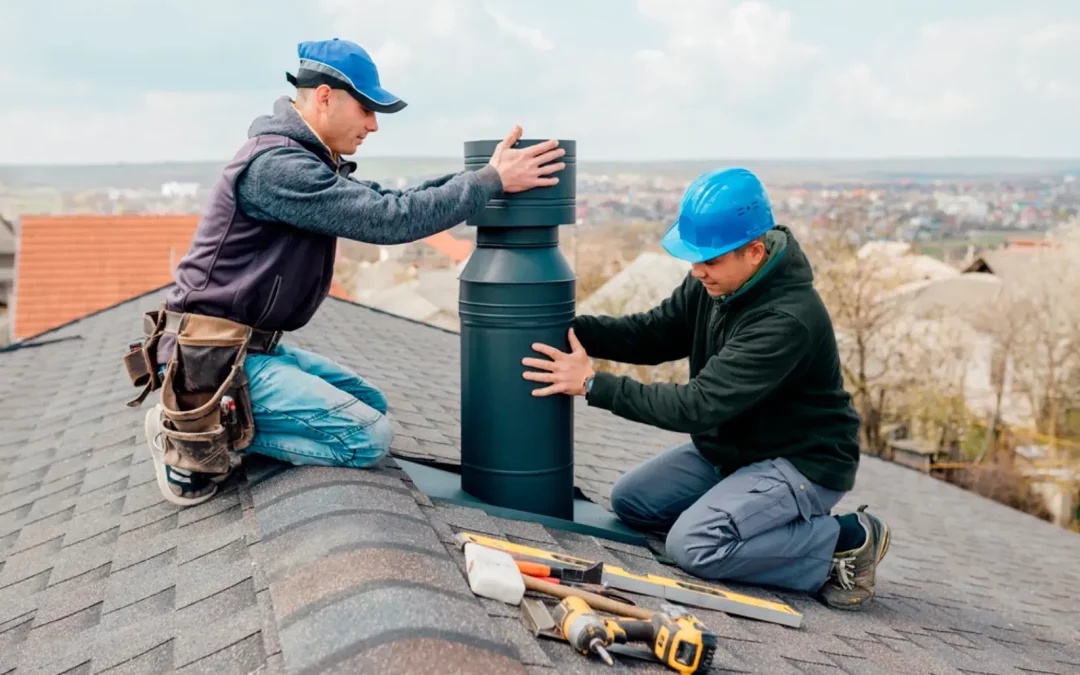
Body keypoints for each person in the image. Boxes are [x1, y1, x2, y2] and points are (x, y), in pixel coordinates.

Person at [128, 38, 565, 508]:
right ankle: (191, 436)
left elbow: (390, 200)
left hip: (248, 351)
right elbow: (389, 220)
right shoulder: (277, 167)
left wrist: (481, 174)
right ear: (324, 97)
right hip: (212, 361)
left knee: (370, 404)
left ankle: (223, 421)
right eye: (366, 109)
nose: (373, 125)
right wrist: (490, 180)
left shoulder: (306, 160)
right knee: (366, 438)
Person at [521, 167, 890, 610]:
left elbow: (696, 407)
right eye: (694, 259)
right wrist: (569, 329)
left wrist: (591, 384)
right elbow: (653, 334)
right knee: (633, 502)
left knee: (693, 546)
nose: (697, 272)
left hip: (801, 463)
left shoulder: (786, 320)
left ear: (755, 252)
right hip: (732, 454)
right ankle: (751, 516)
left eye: (709, 261)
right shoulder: (716, 283)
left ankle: (842, 540)